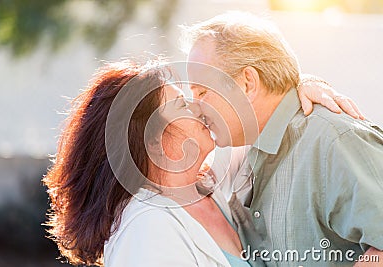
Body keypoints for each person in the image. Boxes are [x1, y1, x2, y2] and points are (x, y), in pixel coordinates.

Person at [43, 56, 359, 267]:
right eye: (181, 104)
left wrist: (303, 85)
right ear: (152, 139)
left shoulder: (212, 181)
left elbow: (267, 107)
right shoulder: (145, 232)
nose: (198, 107)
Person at [182, 11, 383, 266]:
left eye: (202, 91)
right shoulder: (248, 156)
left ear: (248, 83)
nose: (196, 107)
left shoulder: (333, 142)